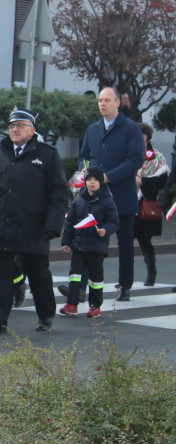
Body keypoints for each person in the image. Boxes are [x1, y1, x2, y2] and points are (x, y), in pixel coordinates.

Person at [0, 107, 69, 334]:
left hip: (34, 226)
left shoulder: (46, 154)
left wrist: (53, 224)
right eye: (12, 126)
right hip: (4, 224)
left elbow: (59, 193)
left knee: (38, 274)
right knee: (1, 275)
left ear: (32, 130)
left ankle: (45, 316)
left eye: (20, 125)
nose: (14, 129)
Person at [78, 88, 144, 301]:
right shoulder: (93, 129)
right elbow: (85, 156)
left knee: (125, 242)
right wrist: (85, 171)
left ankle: (125, 284)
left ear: (117, 103)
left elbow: (135, 159)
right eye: (100, 100)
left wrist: (108, 177)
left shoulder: (130, 128)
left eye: (107, 100)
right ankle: (81, 287)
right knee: (90, 239)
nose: (102, 104)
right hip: (96, 197)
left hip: (121, 195)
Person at [59, 166, 118, 319]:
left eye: (95, 180)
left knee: (96, 278)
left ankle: (95, 306)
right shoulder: (79, 200)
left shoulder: (107, 201)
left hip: (96, 246)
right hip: (78, 245)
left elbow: (114, 222)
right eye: (89, 180)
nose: (92, 183)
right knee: (74, 275)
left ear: (101, 183)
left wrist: (105, 230)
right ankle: (72, 305)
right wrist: (66, 242)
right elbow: (70, 222)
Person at [134, 123, 168, 287]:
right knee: (125, 238)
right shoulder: (129, 153)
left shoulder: (156, 157)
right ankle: (125, 277)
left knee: (144, 240)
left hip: (147, 202)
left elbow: (163, 181)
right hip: (129, 201)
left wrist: (142, 181)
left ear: (146, 137)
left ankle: (151, 272)